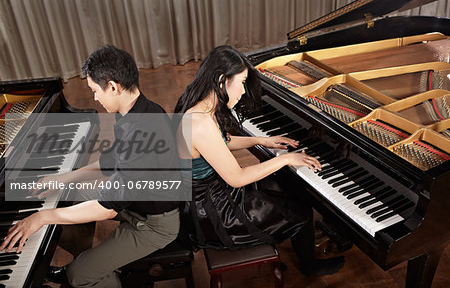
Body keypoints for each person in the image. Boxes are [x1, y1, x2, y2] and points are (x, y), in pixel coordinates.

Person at [0, 45, 181, 288]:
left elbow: (108, 208)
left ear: (114, 86)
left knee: (79, 276)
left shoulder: (142, 132)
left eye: (95, 90)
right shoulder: (135, 110)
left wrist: (42, 217)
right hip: (136, 201)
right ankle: (89, 257)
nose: (94, 97)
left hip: (154, 223)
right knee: (67, 194)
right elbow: (110, 161)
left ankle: (93, 269)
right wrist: (62, 179)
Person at [174, 45, 345, 276]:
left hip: (212, 195)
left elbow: (222, 142)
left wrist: (263, 141)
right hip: (214, 213)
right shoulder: (199, 123)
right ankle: (309, 266)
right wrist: (286, 160)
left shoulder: (199, 107)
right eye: (242, 82)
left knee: (285, 187)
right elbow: (237, 178)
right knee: (301, 210)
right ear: (222, 80)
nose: (243, 91)